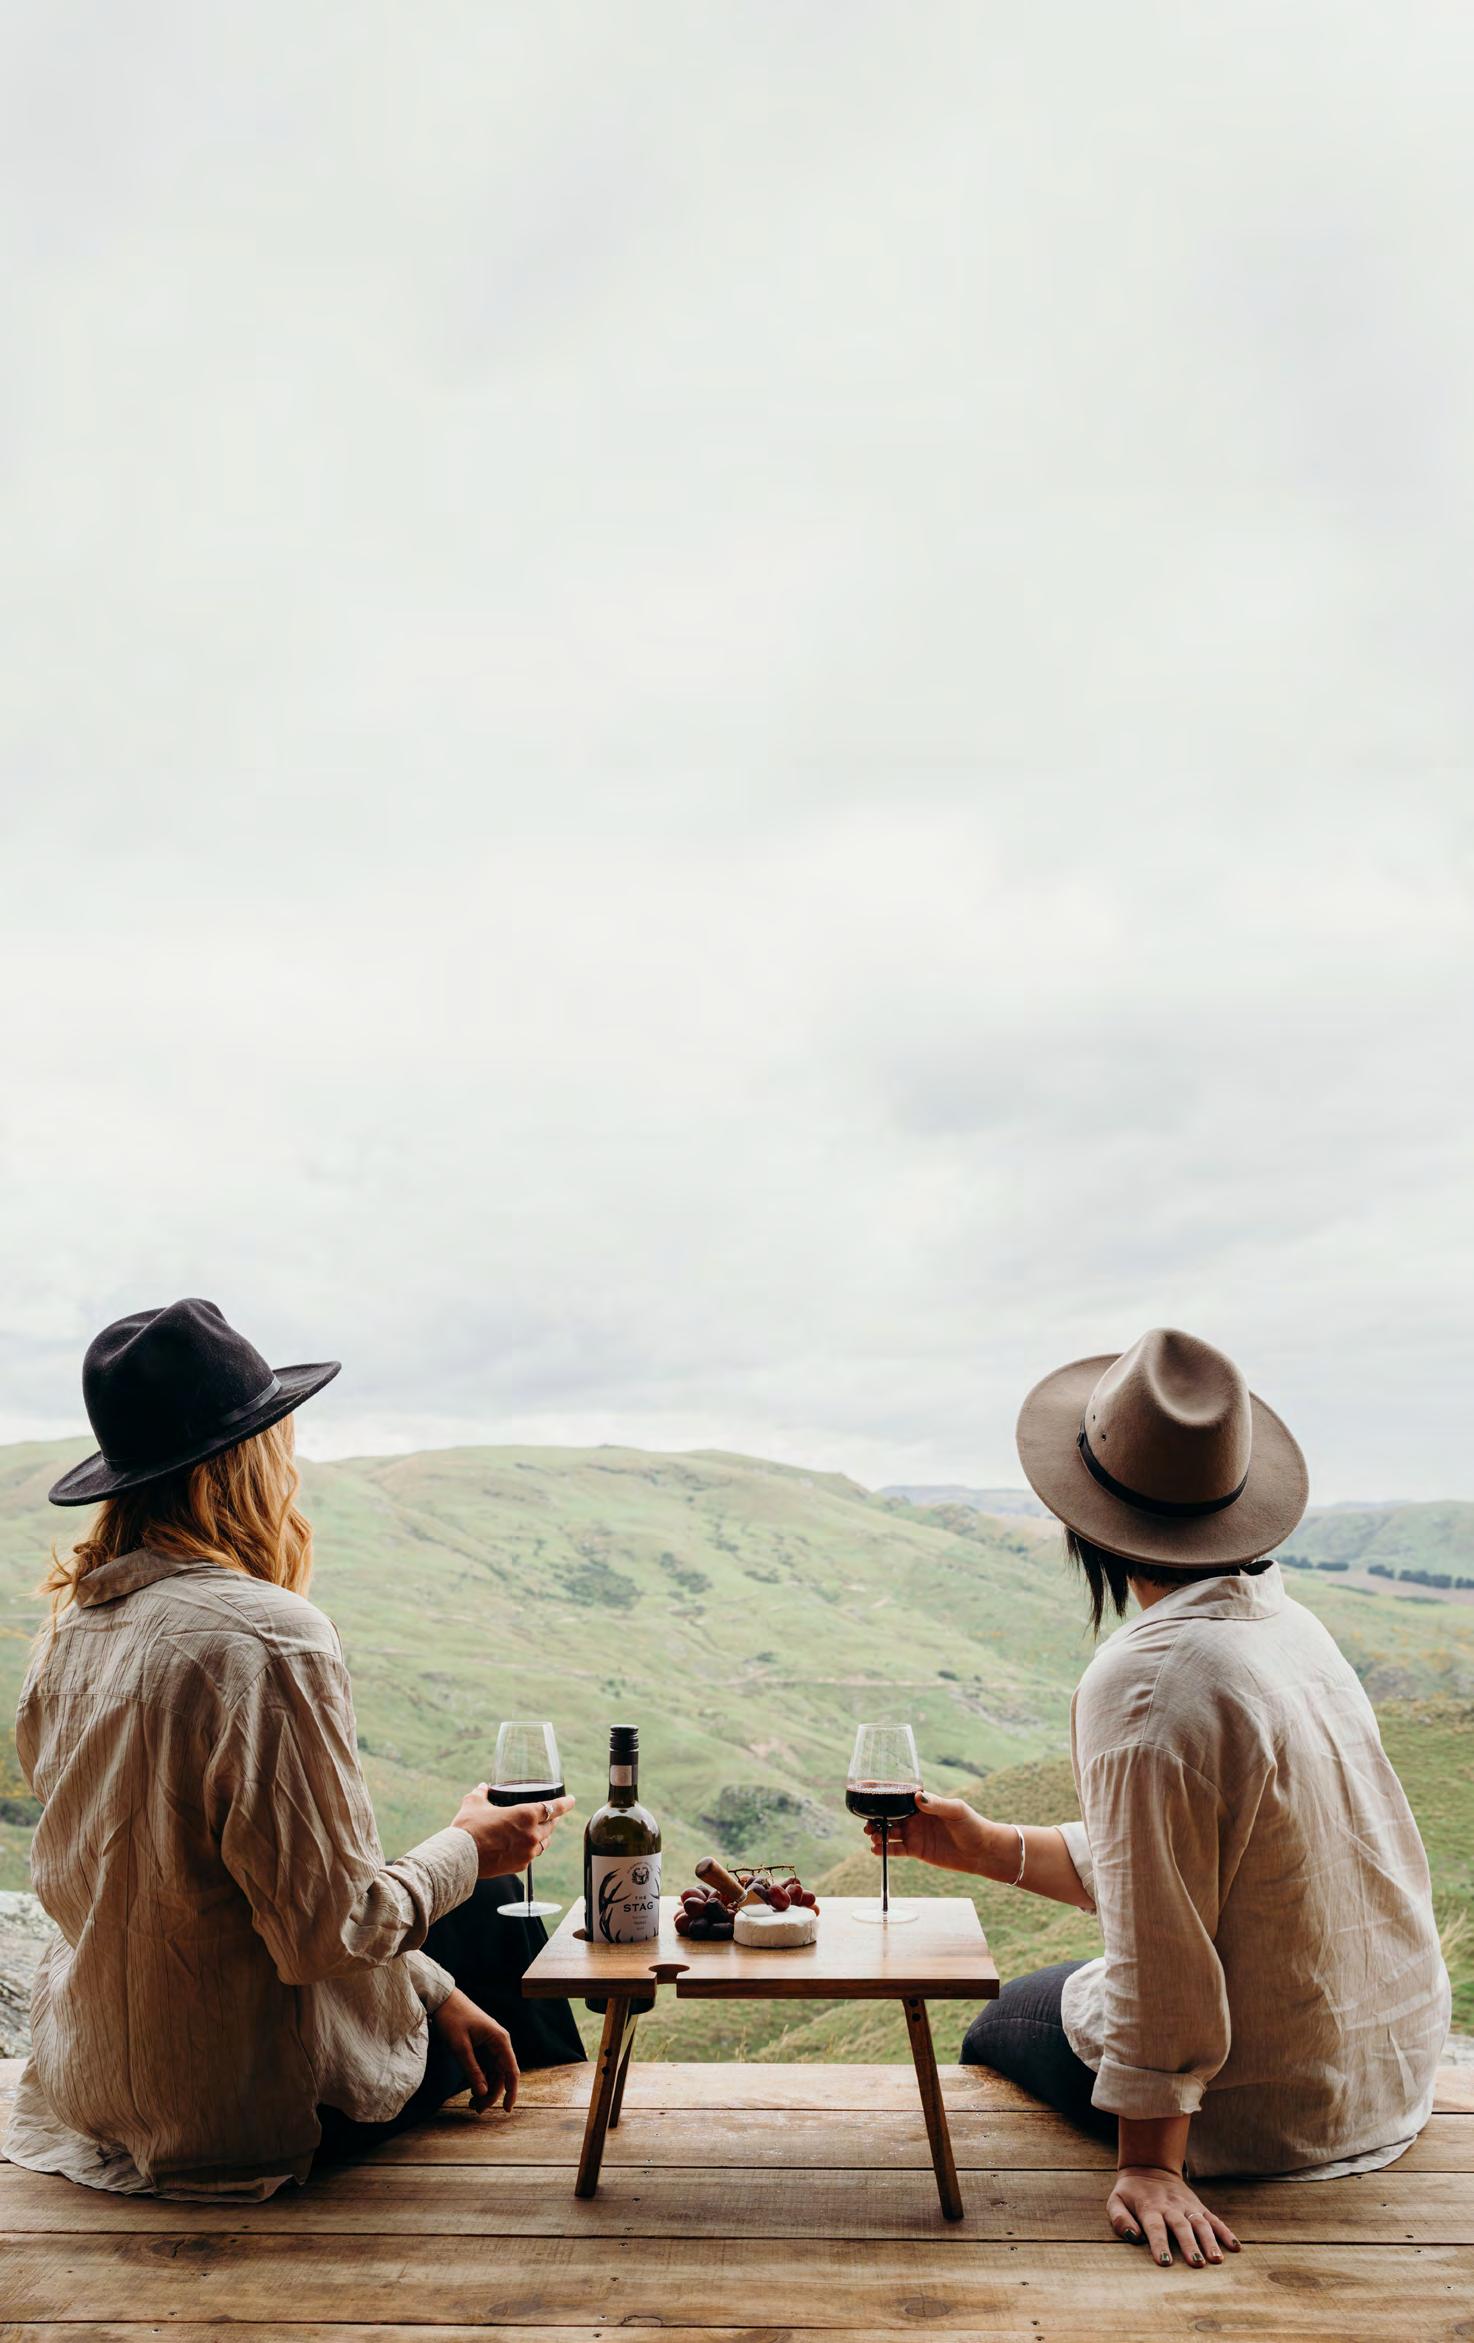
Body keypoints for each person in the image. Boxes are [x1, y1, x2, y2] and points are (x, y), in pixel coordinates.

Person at [869, 1328, 1449, 2272]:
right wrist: (989, 1846)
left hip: (1270, 2108)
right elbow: (1201, 1859)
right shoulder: (1288, 1625)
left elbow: (1160, 1949)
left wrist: (1150, 2165)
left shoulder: (1150, 1679)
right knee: (1056, 1988)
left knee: (1000, 2020)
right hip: (1380, 2073)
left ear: (1088, 1522)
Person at [3, 1298, 583, 2201]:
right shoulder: (267, 1635)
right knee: (498, 1898)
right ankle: (564, 2174)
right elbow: (331, 1930)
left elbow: (220, 1895)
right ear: (245, 1464)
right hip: (239, 2111)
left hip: (97, 2087)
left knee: (468, 1906)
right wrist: (471, 1845)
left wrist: (433, 1990)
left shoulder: (68, 1636)